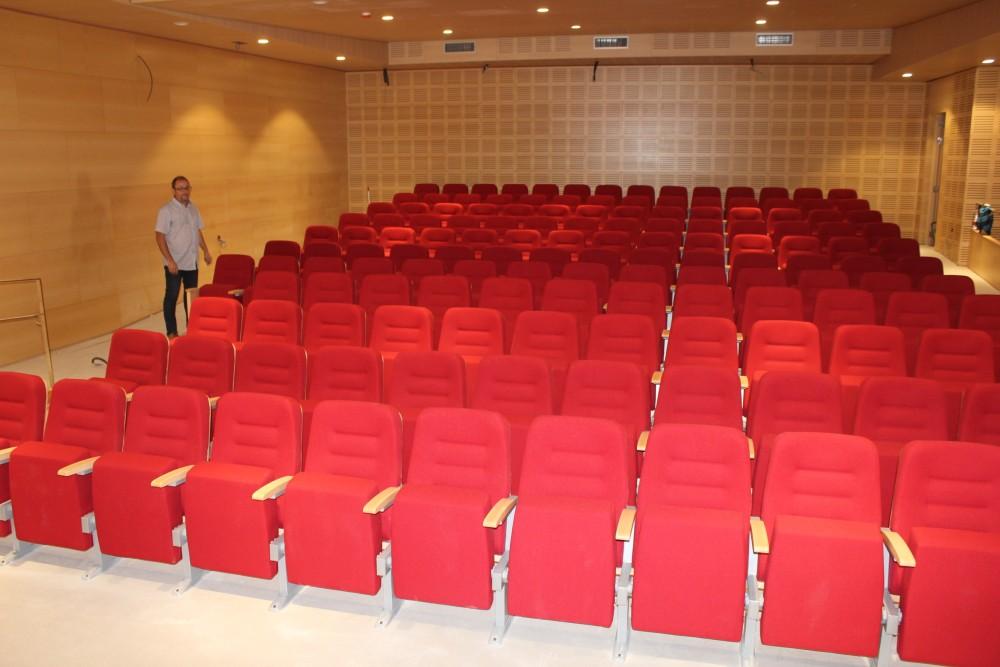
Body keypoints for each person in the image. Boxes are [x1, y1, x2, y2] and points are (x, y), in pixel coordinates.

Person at [155, 176, 212, 338]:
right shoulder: (166, 211)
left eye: (186, 187)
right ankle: (172, 332)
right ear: (174, 191)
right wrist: (170, 260)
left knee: (191, 297)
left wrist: (205, 250)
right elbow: (159, 236)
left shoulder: (193, 209)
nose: (184, 191)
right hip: (175, 263)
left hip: (191, 262)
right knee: (172, 297)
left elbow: (197, 231)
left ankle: (192, 328)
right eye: (180, 188)